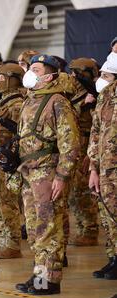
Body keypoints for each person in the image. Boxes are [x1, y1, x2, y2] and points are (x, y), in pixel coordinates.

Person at [15, 54, 80, 295]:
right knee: (34, 230)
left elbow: (70, 143)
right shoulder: (29, 100)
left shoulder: (58, 102)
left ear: (50, 75)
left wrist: (62, 176)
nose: (30, 72)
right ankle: (38, 276)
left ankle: (50, 281)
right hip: (28, 173)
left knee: (48, 229)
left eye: (36, 69)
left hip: (47, 173)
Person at [88, 52, 117, 280]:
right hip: (105, 170)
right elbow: (95, 135)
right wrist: (93, 168)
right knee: (108, 216)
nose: (101, 79)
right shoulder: (104, 98)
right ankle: (113, 258)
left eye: (106, 75)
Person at [67, 58, 100, 246]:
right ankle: (82, 227)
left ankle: (89, 229)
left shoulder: (93, 96)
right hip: (76, 144)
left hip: (87, 144)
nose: (72, 76)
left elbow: (97, 127)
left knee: (83, 191)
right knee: (74, 191)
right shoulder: (73, 95)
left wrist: (91, 154)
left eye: (75, 73)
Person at [0, 63, 25, 259]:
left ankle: (12, 243)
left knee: (8, 202)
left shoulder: (17, 104)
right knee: (1, 201)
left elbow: (21, 133)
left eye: (1, 77)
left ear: (13, 79)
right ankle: (5, 239)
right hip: (1, 157)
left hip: (11, 159)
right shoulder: (4, 101)